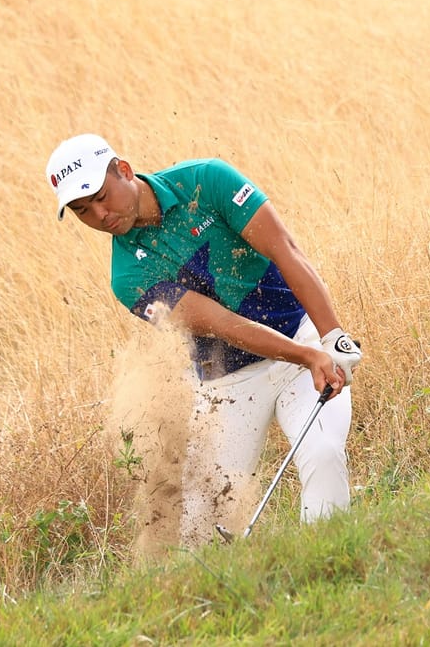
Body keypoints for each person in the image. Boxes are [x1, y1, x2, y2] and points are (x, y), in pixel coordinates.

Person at [45, 133, 363, 544]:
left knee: (321, 453)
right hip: (226, 384)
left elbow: (286, 250)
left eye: (103, 196)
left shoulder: (207, 181)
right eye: (83, 211)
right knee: (201, 529)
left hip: (298, 335)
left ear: (123, 170)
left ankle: (326, 562)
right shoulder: (127, 278)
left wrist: (331, 338)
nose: (101, 215)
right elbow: (222, 325)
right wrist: (306, 356)